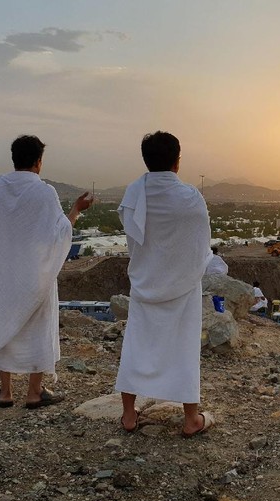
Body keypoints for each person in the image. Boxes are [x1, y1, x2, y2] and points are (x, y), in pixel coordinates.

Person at [0, 135, 93, 409]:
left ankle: (5, 392)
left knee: (2, 324)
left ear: (14, 159)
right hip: (34, 275)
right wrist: (77, 210)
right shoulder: (45, 192)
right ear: (39, 162)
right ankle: (35, 392)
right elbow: (58, 234)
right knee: (37, 329)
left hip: (0, 275)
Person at [115, 131, 215, 437]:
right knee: (184, 350)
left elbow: (134, 238)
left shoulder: (133, 195)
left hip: (146, 282)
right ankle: (190, 421)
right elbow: (201, 244)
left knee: (136, 346)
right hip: (182, 287)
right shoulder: (189, 197)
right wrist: (187, 271)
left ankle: (129, 416)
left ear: (146, 160)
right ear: (178, 160)